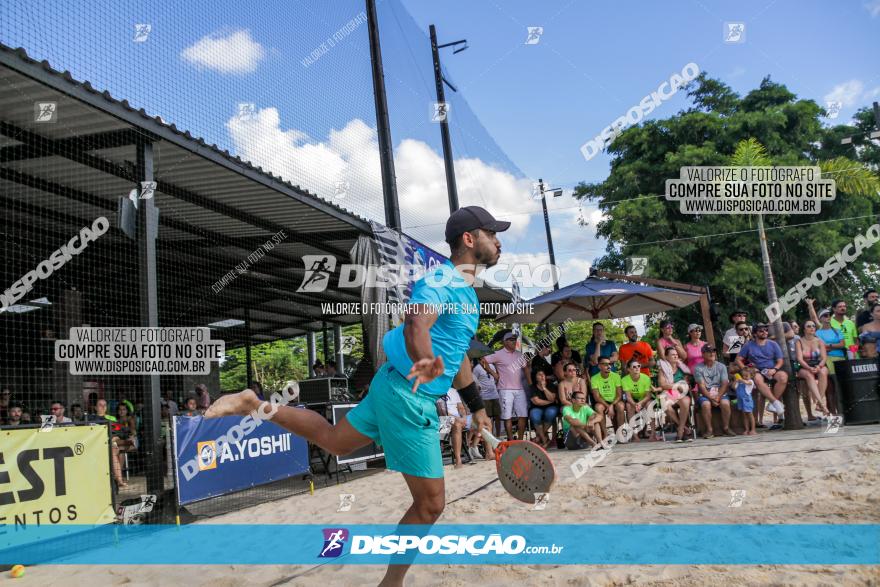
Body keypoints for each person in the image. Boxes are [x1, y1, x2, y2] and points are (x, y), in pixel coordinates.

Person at [204, 204, 505, 586]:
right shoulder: (443, 281)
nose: (497, 242)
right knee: (430, 505)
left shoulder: (468, 296)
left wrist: (476, 405)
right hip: (409, 397)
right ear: (469, 239)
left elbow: (458, 353)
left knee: (334, 441)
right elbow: (416, 324)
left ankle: (254, 404)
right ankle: (390, 585)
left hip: (391, 385)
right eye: (492, 233)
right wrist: (426, 361)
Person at [736, 323, 788, 426]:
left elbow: (780, 360)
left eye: (766, 330)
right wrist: (746, 369)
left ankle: (772, 403)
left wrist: (775, 369)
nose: (764, 332)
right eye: (761, 331)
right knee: (758, 380)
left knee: (783, 377)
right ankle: (776, 403)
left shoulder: (773, 344)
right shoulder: (748, 345)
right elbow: (738, 359)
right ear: (755, 333)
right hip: (757, 370)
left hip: (772, 369)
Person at [485, 331, 532, 441]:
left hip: (520, 389)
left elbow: (525, 369)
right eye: (511, 339)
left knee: (523, 415)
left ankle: (520, 440)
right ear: (504, 342)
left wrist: (530, 385)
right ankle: (511, 440)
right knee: (507, 417)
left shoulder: (519, 354)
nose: (514, 341)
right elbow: (483, 361)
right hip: (505, 389)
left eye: (515, 339)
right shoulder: (498, 354)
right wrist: (494, 374)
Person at [694, 345, 733, 438]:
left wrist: (718, 396)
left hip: (720, 391)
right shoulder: (698, 368)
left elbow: (724, 384)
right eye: (709, 351)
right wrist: (711, 398)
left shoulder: (721, 366)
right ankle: (709, 429)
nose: (712, 353)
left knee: (725, 403)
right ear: (703, 354)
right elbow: (701, 386)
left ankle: (726, 428)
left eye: (713, 351)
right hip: (705, 393)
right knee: (705, 405)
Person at [795, 321, 832, 418]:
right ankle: (822, 404)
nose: (812, 328)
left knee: (823, 372)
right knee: (808, 375)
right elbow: (799, 359)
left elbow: (824, 357)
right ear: (804, 329)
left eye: (813, 326)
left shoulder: (819, 341)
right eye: (809, 326)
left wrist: (819, 366)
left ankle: (819, 404)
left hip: (818, 364)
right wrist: (809, 368)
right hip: (804, 365)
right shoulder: (799, 341)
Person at [657, 348, 693, 442]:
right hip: (668, 395)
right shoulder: (663, 370)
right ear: (666, 357)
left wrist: (675, 386)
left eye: (676, 354)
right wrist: (677, 386)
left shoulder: (682, 368)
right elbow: (663, 385)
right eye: (673, 355)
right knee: (665, 405)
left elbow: (685, 385)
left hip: (681, 394)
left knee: (685, 402)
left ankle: (680, 429)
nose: (676, 356)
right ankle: (684, 428)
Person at [621, 359, 660, 441]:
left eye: (638, 366)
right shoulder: (624, 380)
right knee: (628, 406)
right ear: (628, 369)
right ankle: (634, 435)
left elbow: (648, 396)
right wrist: (635, 404)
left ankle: (653, 434)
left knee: (649, 405)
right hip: (632, 399)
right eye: (634, 367)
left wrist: (640, 403)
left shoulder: (646, 378)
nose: (637, 368)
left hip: (644, 399)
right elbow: (628, 396)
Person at [590, 358, 624, 440]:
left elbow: (619, 395)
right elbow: (597, 397)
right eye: (605, 364)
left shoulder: (616, 376)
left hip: (615, 400)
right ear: (599, 366)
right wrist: (608, 406)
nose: (608, 366)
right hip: (602, 401)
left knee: (621, 406)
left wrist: (611, 405)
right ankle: (605, 434)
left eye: (610, 364)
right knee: (598, 407)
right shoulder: (594, 378)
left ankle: (621, 433)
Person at [472, 356, 502, 437]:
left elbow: (496, 378)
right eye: (482, 358)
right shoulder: (477, 368)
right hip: (484, 396)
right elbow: (474, 380)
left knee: (497, 416)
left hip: (494, 395)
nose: (485, 359)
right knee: (487, 418)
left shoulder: (491, 366)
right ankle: (490, 436)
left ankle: (498, 435)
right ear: (479, 359)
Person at [528, 370, 558, 449]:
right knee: (534, 415)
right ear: (535, 377)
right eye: (539, 374)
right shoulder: (532, 387)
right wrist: (550, 401)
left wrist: (544, 388)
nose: (542, 376)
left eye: (543, 374)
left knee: (550, 413)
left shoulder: (551, 385)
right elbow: (537, 402)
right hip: (537, 407)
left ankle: (539, 437)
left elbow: (552, 397)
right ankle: (544, 439)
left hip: (551, 407)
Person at [735, 367, 757, 436]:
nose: (744, 377)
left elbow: (747, 382)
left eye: (746, 376)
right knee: (744, 415)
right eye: (743, 375)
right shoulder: (740, 381)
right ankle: (746, 429)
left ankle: (753, 429)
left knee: (750, 414)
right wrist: (736, 381)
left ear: (751, 376)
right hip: (740, 400)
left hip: (747, 400)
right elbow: (734, 387)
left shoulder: (750, 381)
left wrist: (741, 379)